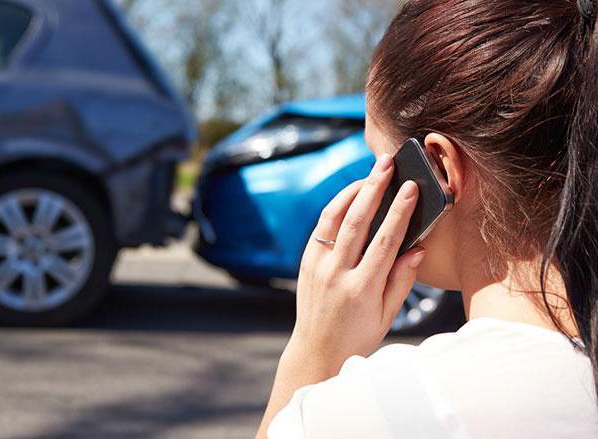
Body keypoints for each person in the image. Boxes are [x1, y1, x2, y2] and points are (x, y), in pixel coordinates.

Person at [256, 0, 598, 438]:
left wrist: (312, 354)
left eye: (379, 160)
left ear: (437, 167)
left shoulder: (379, 408)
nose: (371, 186)